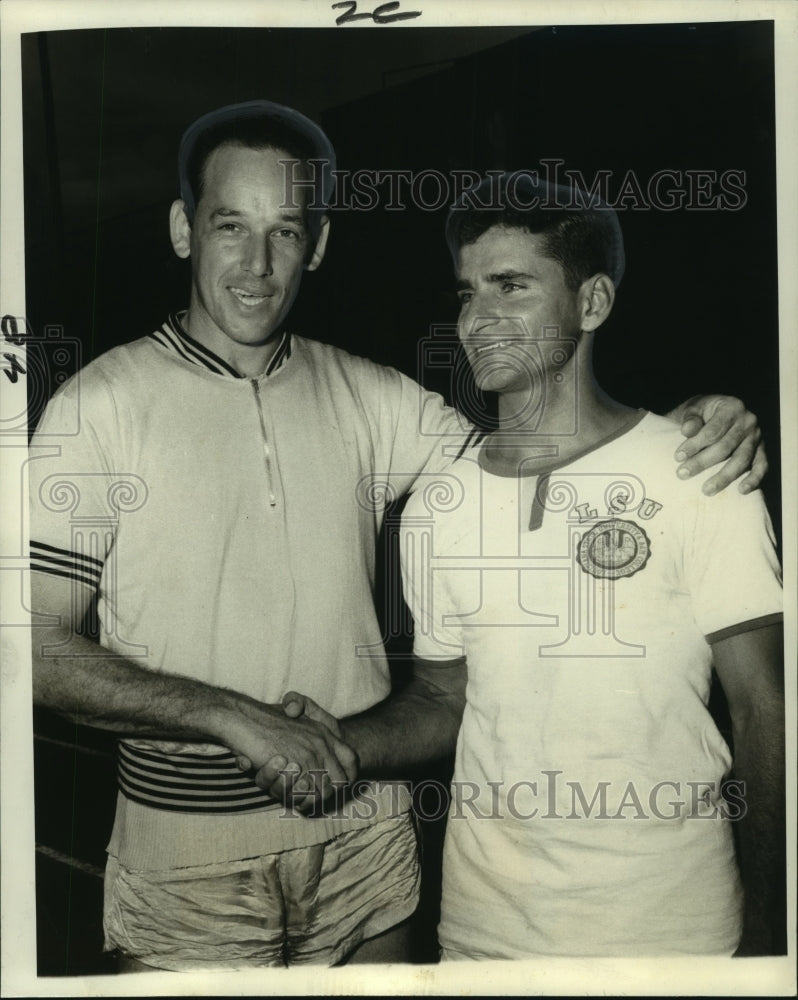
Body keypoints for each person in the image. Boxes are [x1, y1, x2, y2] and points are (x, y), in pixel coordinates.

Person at [28, 101, 770, 971]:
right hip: (191, 867)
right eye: (231, 225)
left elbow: (536, 449)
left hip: (368, 847)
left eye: (287, 230)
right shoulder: (95, 407)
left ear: (320, 243)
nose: (258, 265)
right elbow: (30, 648)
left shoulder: (372, 396)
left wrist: (694, 424)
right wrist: (234, 719)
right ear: (185, 229)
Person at [275, 173, 785, 959]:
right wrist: (339, 745)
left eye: (512, 287)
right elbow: (446, 699)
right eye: (467, 292)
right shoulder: (437, 504)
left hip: (671, 932)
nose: (478, 318)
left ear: (592, 304)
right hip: (485, 934)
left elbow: (764, 712)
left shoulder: (697, 471)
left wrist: (771, 932)